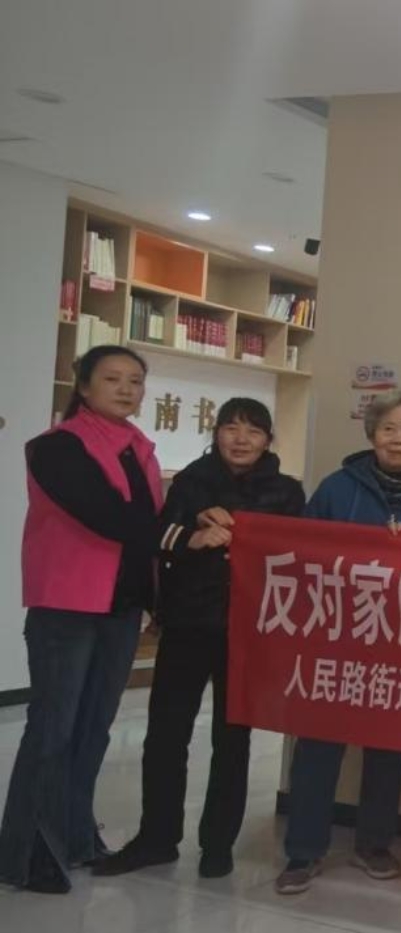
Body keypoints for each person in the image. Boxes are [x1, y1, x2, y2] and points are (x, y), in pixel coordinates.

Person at [93, 399, 306, 881]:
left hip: (248, 632)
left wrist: (243, 530)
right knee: (166, 735)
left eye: (253, 431)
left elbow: (297, 553)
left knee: (232, 740)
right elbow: (159, 534)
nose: (241, 439)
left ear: (268, 440)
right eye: (230, 428)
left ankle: (217, 844)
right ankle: (157, 838)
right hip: (187, 623)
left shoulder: (286, 491)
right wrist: (193, 532)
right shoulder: (191, 481)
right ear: (215, 433)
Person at [275, 390, 401, 895]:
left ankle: (374, 844)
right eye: (388, 429)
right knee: (318, 747)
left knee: (387, 749)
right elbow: (302, 555)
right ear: (372, 435)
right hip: (335, 640)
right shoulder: (337, 489)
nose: (398, 439)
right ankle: (303, 851)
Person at [0, 346, 162, 893]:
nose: (126, 389)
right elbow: (109, 516)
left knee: (93, 729)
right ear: (84, 387)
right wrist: (179, 535)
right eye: (112, 379)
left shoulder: (139, 449)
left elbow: (143, 529)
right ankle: (27, 853)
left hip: (121, 607)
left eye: (135, 380)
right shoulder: (56, 447)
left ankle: (74, 836)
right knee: (54, 727)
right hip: (67, 607)